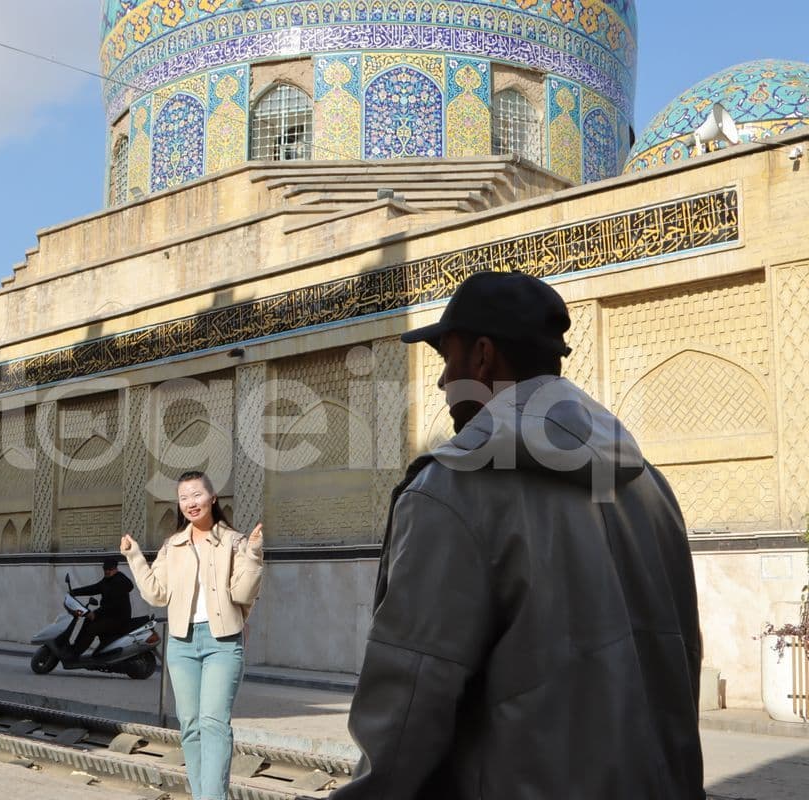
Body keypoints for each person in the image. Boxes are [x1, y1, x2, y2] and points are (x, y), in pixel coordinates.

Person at [331, 271, 704, 799]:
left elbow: (409, 706)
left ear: (483, 357)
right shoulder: (648, 487)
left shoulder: (455, 488)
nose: (441, 384)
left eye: (448, 360)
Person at [121, 471, 264, 800]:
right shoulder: (174, 546)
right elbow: (157, 594)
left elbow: (243, 593)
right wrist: (135, 556)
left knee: (214, 723)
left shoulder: (235, 542)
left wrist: (253, 554)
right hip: (181, 645)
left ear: (213, 498)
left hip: (222, 643)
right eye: (184, 498)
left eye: (196, 495)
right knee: (191, 727)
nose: (190, 503)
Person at [68, 556, 135, 657]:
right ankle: (76, 647)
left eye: (110, 569)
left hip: (119, 619)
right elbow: (94, 588)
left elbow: (113, 605)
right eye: (105, 569)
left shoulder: (120, 581)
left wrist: (96, 613)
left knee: (93, 628)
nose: (107, 571)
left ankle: (76, 654)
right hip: (109, 615)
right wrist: (74, 592)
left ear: (116, 569)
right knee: (87, 620)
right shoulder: (107, 580)